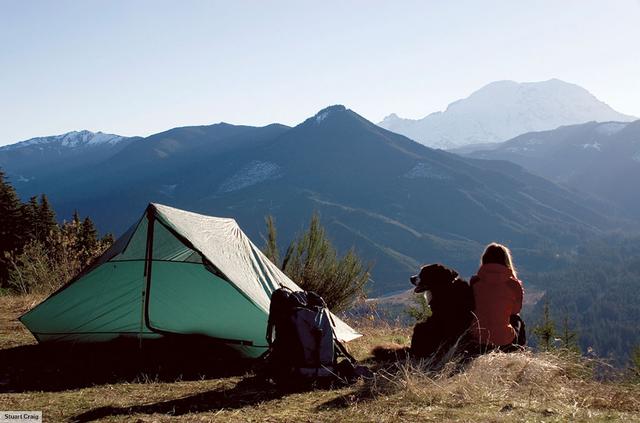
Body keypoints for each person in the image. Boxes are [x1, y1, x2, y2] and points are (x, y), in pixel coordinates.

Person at [470, 243, 526, 352]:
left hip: (478, 338)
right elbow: (516, 310)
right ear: (506, 261)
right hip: (504, 340)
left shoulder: (475, 282)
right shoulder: (513, 285)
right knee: (517, 320)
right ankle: (518, 352)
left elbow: (472, 306)